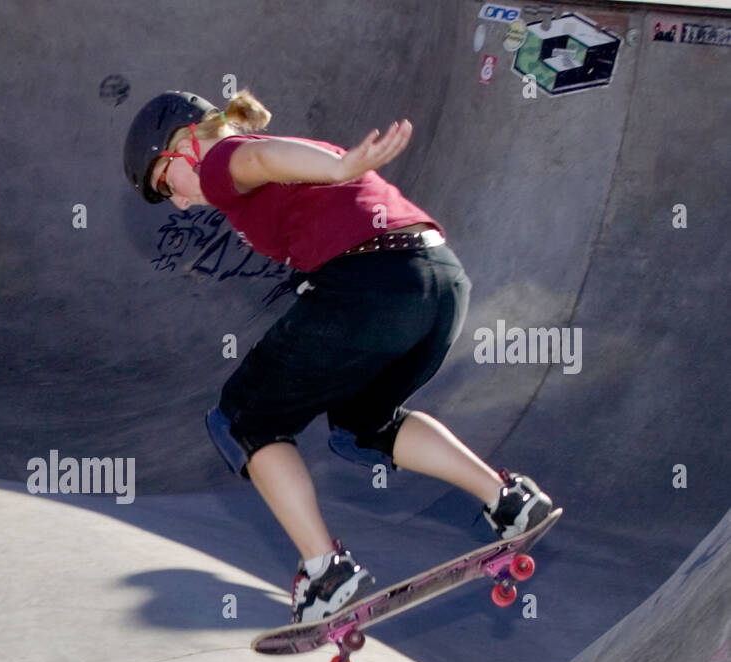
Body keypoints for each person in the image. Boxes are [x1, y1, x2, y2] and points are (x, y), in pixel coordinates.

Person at [123, 90, 554, 624]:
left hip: (368, 286)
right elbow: (271, 160)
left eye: (167, 183)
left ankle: (327, 571)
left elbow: (257, 158)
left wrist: (341, 166)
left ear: (184, 143)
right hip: (438, 281)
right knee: (364, 425)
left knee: (243, 419)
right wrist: (337, 167)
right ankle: (508, 499)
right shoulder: (254, 157)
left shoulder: (218, 160)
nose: (181, 202)